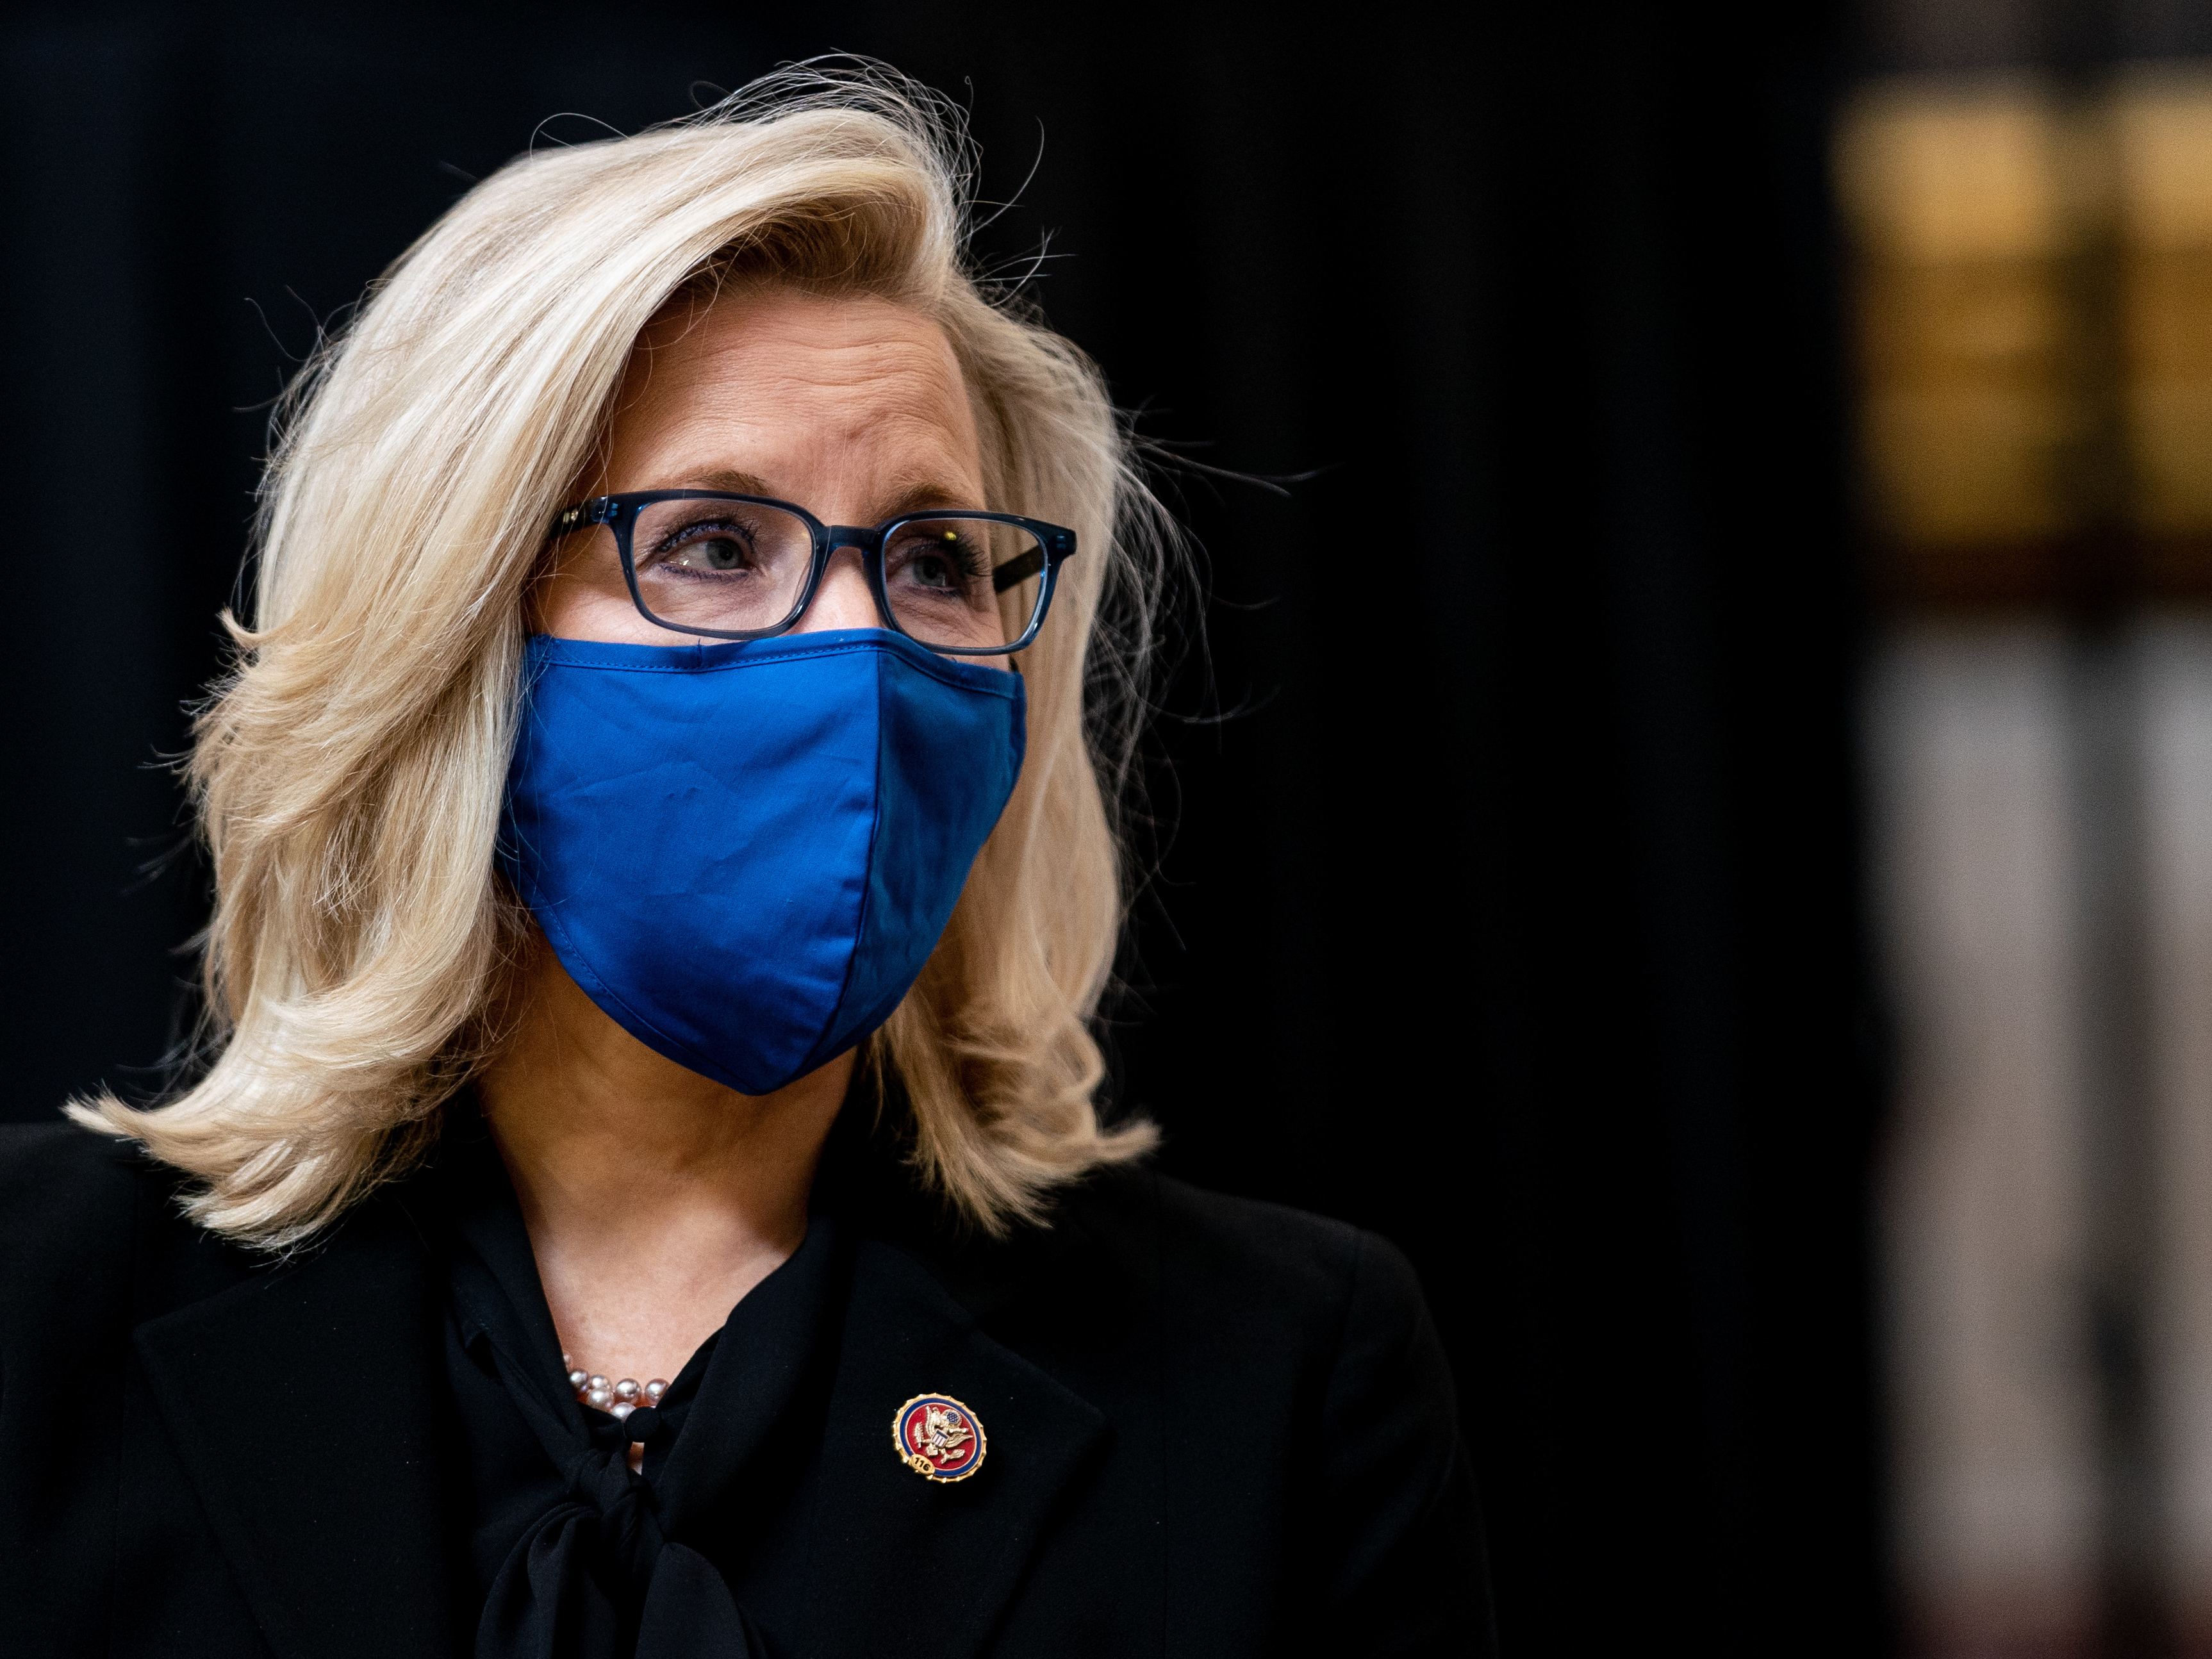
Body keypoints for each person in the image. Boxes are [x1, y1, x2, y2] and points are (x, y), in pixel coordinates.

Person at [0, 67, 1492, 1659]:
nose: (858, 646)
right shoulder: (36, 1304)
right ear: (454, 633)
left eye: (933, 559)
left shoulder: (1276, 1368)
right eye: (715, 543)